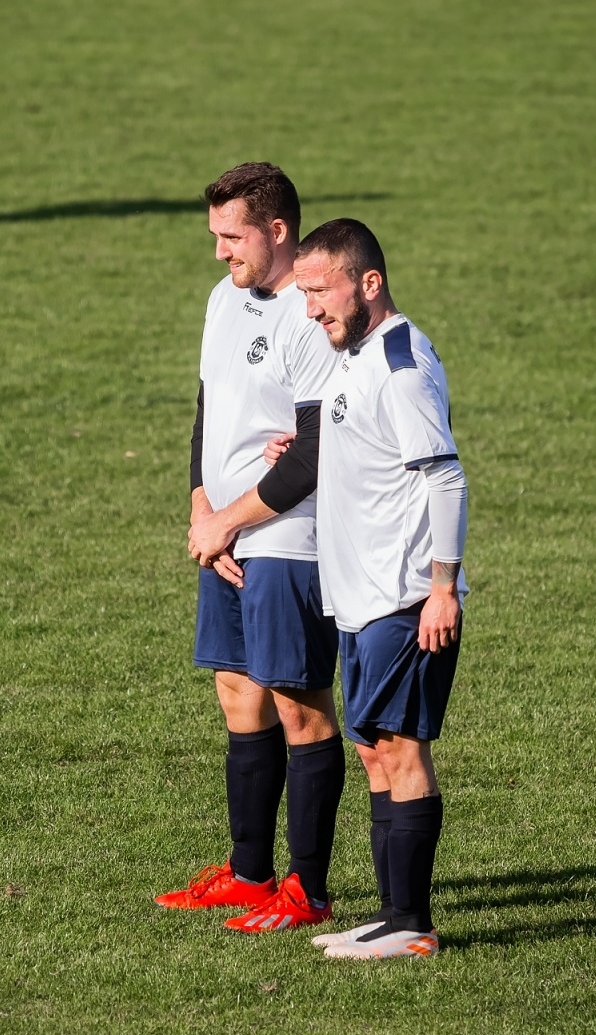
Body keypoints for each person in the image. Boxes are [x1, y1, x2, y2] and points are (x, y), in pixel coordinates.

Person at [153, 162, 345, 934]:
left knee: (300, 705)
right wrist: (205, 508)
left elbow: (313, 451)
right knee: (238, 693)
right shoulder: (221, 299)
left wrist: (231, 519)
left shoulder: (314, 312)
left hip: (289, 537)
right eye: (214, 236)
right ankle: (248, 873)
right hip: (226, 529)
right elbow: (210, 408)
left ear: (276, 231)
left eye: (231, 236)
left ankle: (309, 889)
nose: (219, 252)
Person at [282, 218, 468, 959]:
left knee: (401, 750)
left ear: (370, 283)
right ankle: (393, 917)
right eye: (303, 293)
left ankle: (413, 925)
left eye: (320, 291)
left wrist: (443, 588)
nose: (311, 309)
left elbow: (443, 476)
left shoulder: (400, 364)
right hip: (359, 598)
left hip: (403, 595)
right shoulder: (353, 357)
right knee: (375, 752)